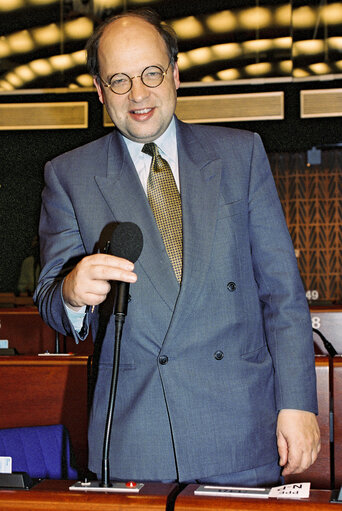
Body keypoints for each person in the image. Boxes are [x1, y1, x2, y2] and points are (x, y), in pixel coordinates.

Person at [34, 8, 320, 486]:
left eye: (151, 73)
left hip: (242, 425)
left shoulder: (240, 154)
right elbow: (52, 304)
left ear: (176, 74)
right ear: (100, 92)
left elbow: (283, 296)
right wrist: (70, 292)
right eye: (119, 80)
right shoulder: (69, 176)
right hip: (134, 434)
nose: (138, 94)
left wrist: (297, 403)